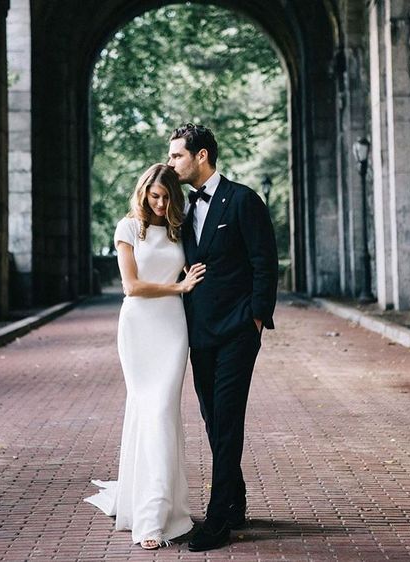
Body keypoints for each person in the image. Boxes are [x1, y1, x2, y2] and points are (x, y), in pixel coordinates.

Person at [168, 123, 279, 551]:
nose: (172, 161)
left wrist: (255, 320)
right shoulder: (177, 207)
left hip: (237, 331)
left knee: (228, 419)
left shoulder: (243, 200)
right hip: (198, 333)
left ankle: (218, 522)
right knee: (213, 417)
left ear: (202, 156)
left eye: (178, 154)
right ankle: (235, 499)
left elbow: (264, 262)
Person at [84, 163, 206, 550]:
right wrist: (179, 287)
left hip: (173, 330)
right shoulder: (127, 228)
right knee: (146, 410)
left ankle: (162, 506)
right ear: (143, 192)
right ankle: (150, 517)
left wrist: (191, 281)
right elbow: (131, 286)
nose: (160, 202)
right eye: (154, 195)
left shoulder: (177, 229)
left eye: (167, 197)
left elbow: (193, 267)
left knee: (163, 413)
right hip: (139, 328)